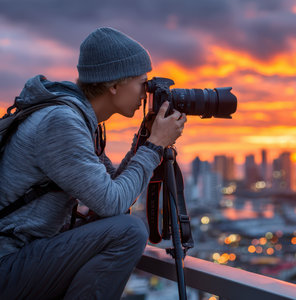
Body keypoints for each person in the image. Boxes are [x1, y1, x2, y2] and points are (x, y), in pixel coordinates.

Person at [0, 27, 187, 299]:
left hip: (24, 258)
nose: (145, 93)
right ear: (114, 85)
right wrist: (155, 146)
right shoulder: (61, 122)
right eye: (141, 83)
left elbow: (113, 191)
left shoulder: (79, 121)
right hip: (8, 264)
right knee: (131, 231)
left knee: (126, 226)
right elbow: (113, 203)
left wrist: (145, 140)